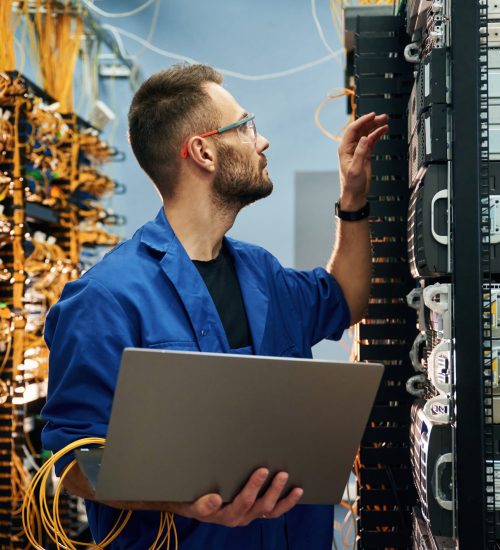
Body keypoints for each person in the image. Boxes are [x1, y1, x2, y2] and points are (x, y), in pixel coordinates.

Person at [41, 64, 388, 549]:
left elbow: (346, 299)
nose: (261, 140)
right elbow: (71, 462)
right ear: (202, 151)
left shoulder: (262, 273)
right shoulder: (105, 298)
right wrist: (172, 497)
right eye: (245, 127)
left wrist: (353, 198)